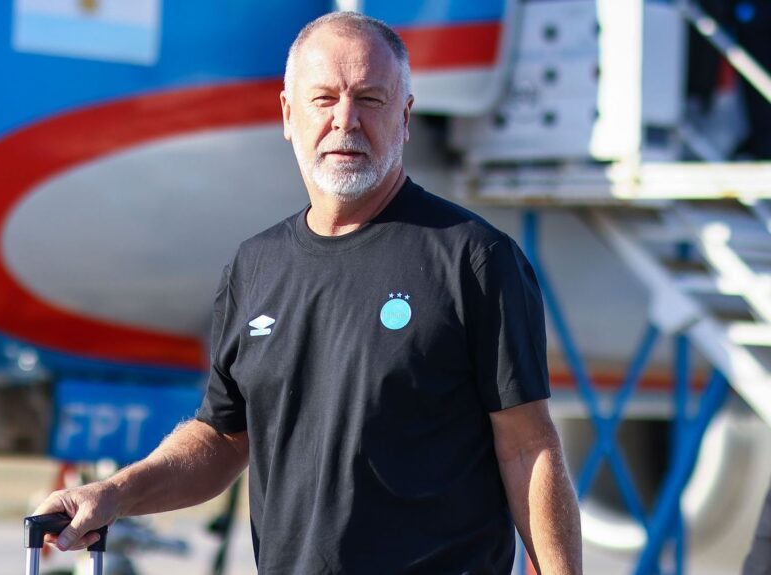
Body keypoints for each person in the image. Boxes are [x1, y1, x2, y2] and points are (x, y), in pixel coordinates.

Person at [34, 11, 583, 574]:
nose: (346, 120)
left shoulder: (474, 259)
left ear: (405, 116)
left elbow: (528, 449)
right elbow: (223, 440)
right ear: (288, 114)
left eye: (370, 99)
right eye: (324, 99)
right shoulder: (255, 267)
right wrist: (116, 493)